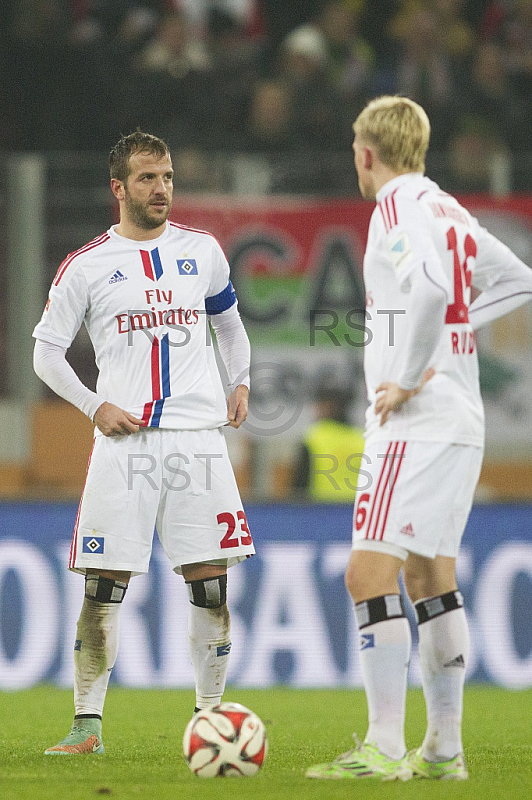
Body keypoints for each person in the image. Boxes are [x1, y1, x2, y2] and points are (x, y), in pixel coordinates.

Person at [306, 95, 532, 781]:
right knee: (430, 575)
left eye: (355, 152)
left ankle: (383, 747)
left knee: (366, 574)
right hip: (461, 419)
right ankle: (442, 750)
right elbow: (518, 280)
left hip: (414, 421)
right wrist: (446, 346)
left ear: (367, 153)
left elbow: (431, 292)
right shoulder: (450, 209)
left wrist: (406, 376)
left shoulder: (397, 208)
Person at [33, 130, 254, 755]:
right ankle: (86, 727)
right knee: (103, 584)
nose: (161, 189)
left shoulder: (203, 252)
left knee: (210, 582)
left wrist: (239, 382)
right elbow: (45, 353)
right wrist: (93, 405)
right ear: (118, 188)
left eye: (167, 177)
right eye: (148, 179)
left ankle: (210, 720)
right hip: (125, 442)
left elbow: (230, 328)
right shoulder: (87, 265)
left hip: (196, 438)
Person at [291, 385, 365, 502]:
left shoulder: (314, 437)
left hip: (321, 511)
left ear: (329, 406)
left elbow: (299, 486)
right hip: (356, 508)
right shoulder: (362, 438)